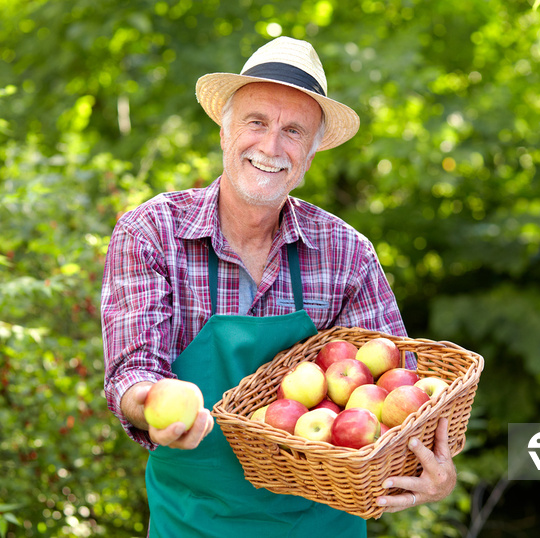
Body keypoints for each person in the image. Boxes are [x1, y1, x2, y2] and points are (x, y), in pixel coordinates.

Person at [101, 36, 456, 537]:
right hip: (194, 521)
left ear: (310, 157)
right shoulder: (152, 232)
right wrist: (153, 403)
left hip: (321, 526)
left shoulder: (346, 252)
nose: (271, 146)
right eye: (256, 122)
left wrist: (431, 468)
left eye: (293, 131)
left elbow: (403, 385)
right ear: (224, 133)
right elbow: (131, 370)